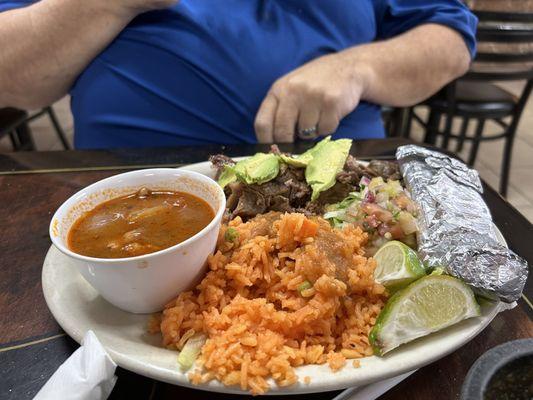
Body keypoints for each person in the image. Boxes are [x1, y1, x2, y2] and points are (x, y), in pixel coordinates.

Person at [0, 1, 477, 148]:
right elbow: (11, 75)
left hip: (342, 188)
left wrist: (355, 67)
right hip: (127, 191)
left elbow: (451, 41)